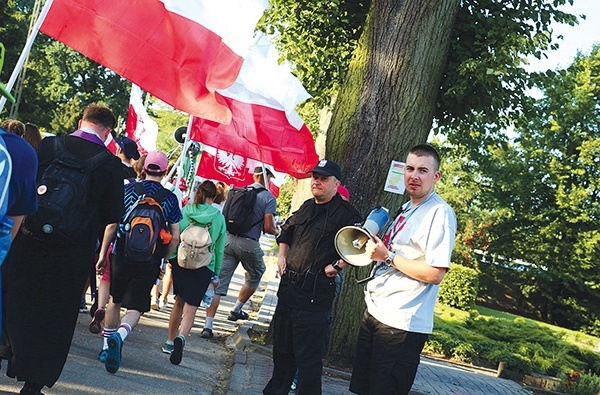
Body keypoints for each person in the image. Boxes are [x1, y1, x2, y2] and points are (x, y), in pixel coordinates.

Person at [1, 103, 124, 395]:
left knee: (16, 301)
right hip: (71, 255)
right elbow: (111, 213)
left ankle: (7, 350)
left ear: (82, 121)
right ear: (108, 132)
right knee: (55, 318)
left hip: (29, 242)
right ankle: (34, 382)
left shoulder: (49, 145)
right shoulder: (109, 164)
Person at [348, 144, 457, 395]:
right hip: (377, 313)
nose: (414, 176)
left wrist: (387, 257)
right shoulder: (408, 207)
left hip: (402, 323)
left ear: (436, 176)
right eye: (409, 168)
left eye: (422, 170)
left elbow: (435, 274)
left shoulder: (440, 213)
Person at [263, 159, 363, 395]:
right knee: (282, 353)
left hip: (314, 295)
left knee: (308, 360)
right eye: (315, 177)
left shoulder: (347, 214)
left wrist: (338, 266)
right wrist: (282, 256)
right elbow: (287, 230)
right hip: (289, 290)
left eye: (323, 178)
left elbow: (361, 245)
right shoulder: (307, 206)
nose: (317, 181)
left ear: (336, 183)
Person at [96, 150, 182, 374]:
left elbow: (112, 225)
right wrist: (163, 260)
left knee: (114, 300)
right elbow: (175, 235)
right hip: (149, 257)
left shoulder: (127, 190)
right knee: (136, 306)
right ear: (164, 172)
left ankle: (106, 346)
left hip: (121, 253)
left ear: (144, 168)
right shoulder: (170, 198)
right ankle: (121, 335)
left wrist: (103, 253)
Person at [201, 166, 279, 338]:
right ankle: (236, 309)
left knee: (218, 284)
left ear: (254, 175)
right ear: (268, 178)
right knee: (257, 273)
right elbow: (268, 226)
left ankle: (208, 326)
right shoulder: (268, 198)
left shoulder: (236, 192)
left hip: (228, 240)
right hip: (248, 243)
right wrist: (277, 231)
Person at [162, 180, 226, 365]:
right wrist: (216, 273)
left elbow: (176, 234)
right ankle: (181, 338)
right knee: (191, 307)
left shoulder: (186, 211)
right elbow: (220, 248)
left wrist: (171, 259)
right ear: (214, 197)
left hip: (182, 262)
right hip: (204, 266)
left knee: (178, 302)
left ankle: (169, 341)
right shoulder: (218, 217)